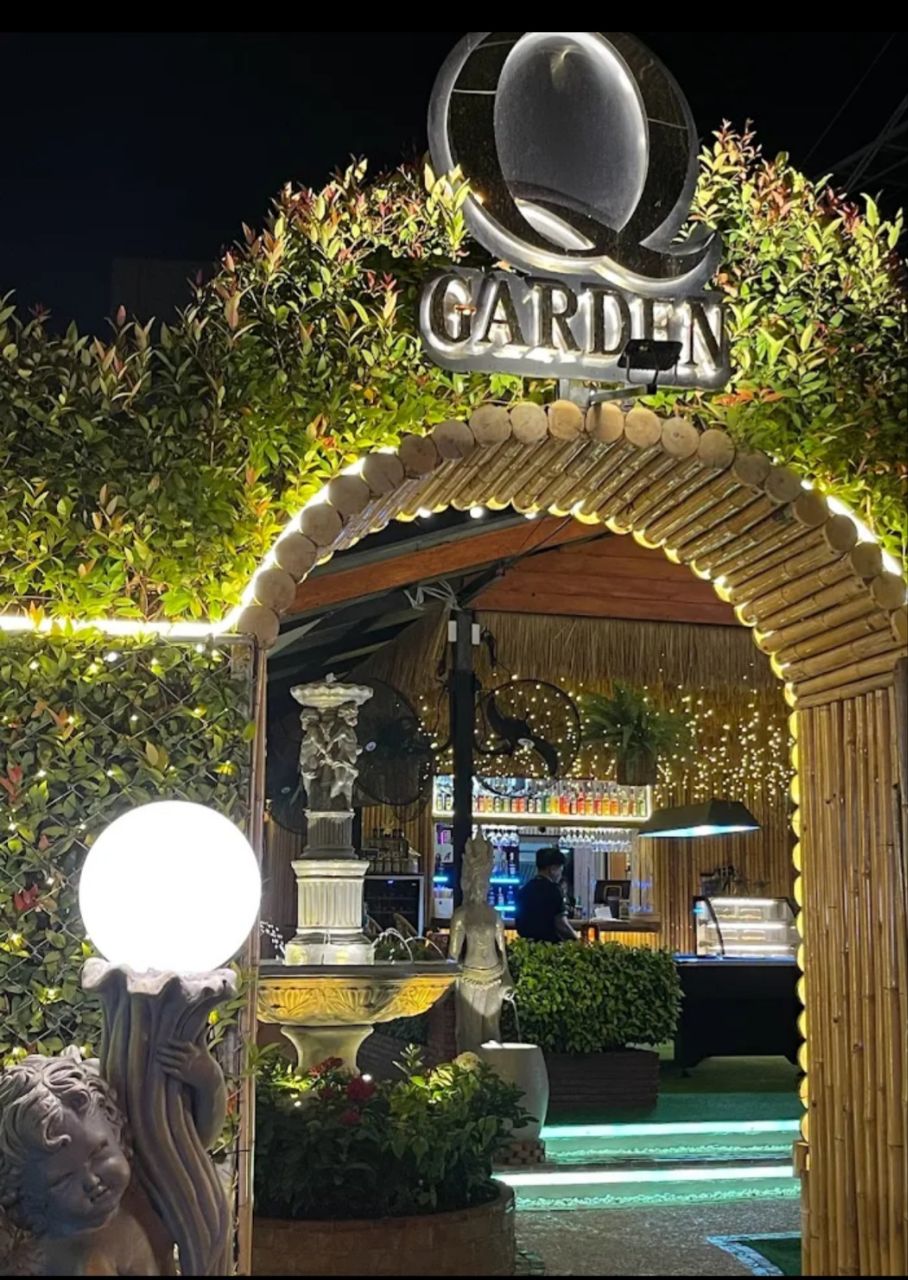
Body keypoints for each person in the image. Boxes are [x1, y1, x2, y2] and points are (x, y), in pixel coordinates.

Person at [515, 847, 580, 944]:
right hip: (549, 948)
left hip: (527, 948)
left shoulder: (524, 890)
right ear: (552, 869)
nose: (560, 875)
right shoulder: (554, 890)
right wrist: (577, 939)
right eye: (560, 870)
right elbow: (561, 924)